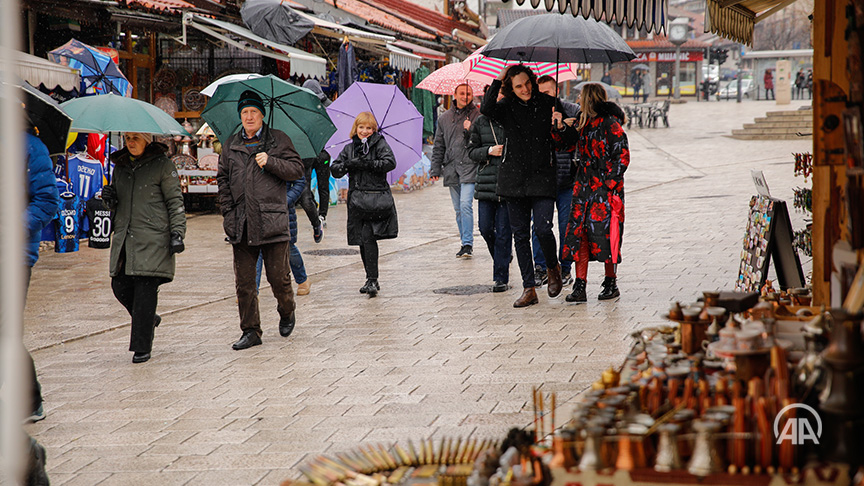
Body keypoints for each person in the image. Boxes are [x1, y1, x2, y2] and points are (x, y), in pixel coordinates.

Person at [217, 90, 305, 350]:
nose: (249, 116)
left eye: (254, 111)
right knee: (244, 283)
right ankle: (251, 331)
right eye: (244, 112)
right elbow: (223, 179)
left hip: (272, 221)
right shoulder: (231, 144)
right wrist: (228, 212)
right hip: (241, 223)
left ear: (262, 115)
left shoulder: (278, 140)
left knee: (279, 279)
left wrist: (272, 162)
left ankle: (287, 310)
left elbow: (297, 170)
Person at [481, 65, 565, 308]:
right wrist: (499, 78)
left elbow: (567, 140)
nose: (525, 89)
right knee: (520, 235)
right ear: (511, 87)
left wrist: (559, 126)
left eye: (527, 83)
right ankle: (529, 288)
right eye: (518, 86)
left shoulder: (549, 103)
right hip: (513, 178)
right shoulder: (506, 106)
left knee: (542, 228)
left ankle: (553, 267)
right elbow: (486, 109)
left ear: (533, 80)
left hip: (542, 176)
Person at [100, 133, 186, 363]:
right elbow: (118, 205)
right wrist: (110, 199)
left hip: (154, 237)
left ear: (147, 140)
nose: (131, 142)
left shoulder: (162, 165)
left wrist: (178, 233)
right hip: (126, 238)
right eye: (127, 138)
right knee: (119, 284)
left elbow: (175, 201)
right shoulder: (120, 167)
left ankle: (142, 346)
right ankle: (148, 319)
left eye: (136, 137)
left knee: (145, 290)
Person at [553, 84, 629, 303]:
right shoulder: (581, 123)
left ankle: (610, 282)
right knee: (580, 237)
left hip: (605, 191)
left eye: (580, 96)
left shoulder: (610, 124)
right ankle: (580, 284)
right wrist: (559, 127)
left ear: (588, 98)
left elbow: (622, 156)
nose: (577, 99)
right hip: (583, 187)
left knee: (607, 236)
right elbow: (564, 145)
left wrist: (609, 184)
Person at [330, 112, 398, 297]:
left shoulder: (380, 144)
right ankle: (370, 278)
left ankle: (372, 279)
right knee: (361, 240)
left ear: (374, 129)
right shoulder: (349, 148)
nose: (365, 131)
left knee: (368, 236)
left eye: (369, 128)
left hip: (375, 199)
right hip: (356, 201)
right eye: (361, 127)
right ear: (356, 128)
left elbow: (390, 162)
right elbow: (335, 169)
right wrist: (349, 165)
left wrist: (368, 164)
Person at [532, 75, 580, 288]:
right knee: (540, 226)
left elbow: (577, 138)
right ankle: (541, 267)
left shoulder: (571, 110)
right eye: (540, 93)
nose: (544, 97)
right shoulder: (532, 113)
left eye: (547, 93)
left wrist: (565, 126)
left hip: (566, 178)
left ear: (556, 91)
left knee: (566, 225)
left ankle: (566, 268)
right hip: (542, 180)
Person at [467, 87, 512, 292]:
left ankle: (500, 277)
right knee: (485, 228)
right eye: (495, 95)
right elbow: (471, 151)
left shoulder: (513, 117)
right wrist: (488, 151)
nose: (499, 98)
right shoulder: (481, 122)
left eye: (503, 94)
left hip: (508, 184)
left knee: (503, 231)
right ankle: (502, 256)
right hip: (486, 183)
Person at [431, 83, 480, 258]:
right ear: (455, 95)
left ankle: (468, 244)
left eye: (468, 93)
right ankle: (464, 241)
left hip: (470, 167)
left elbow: (481, 140)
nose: (465, 97)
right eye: (462, 93)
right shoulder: (444, 118)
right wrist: (435, 168)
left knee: (466, 205)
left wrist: (470, 129)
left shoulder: (478, 116)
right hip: (452, 168)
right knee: (458, 209)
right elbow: (439, 145)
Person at [255, 177, 310, 295]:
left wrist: (285, 200)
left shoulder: (287, 158)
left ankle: (302, 280)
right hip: (257, 208)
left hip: (282, 210)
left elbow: (299, 181)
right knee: (256, 248)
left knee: (288, 247)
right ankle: (252, 290)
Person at [301, 79, 332, 233]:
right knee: (323, 185)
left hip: (309, 151)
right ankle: (322, 215)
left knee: (304, 187)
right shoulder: (329, 105)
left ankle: (316, 210)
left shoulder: (302, 105)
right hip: (323, 151)